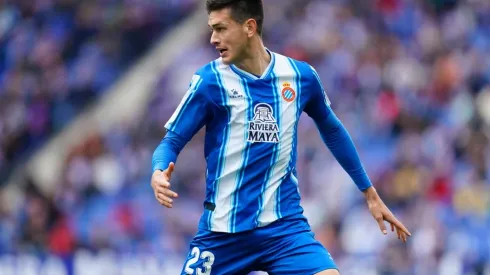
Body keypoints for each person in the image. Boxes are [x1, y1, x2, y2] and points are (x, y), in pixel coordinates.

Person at [151, 0, 411, 274]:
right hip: (223, 235)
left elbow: (332, 130)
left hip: (283, 230)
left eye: (221, 28)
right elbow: (171, 142)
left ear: (249, 27)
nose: (213, 38)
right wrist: (158, 171)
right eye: (212, 29)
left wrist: (369, 193)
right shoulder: (209, 81)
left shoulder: (299, 77)